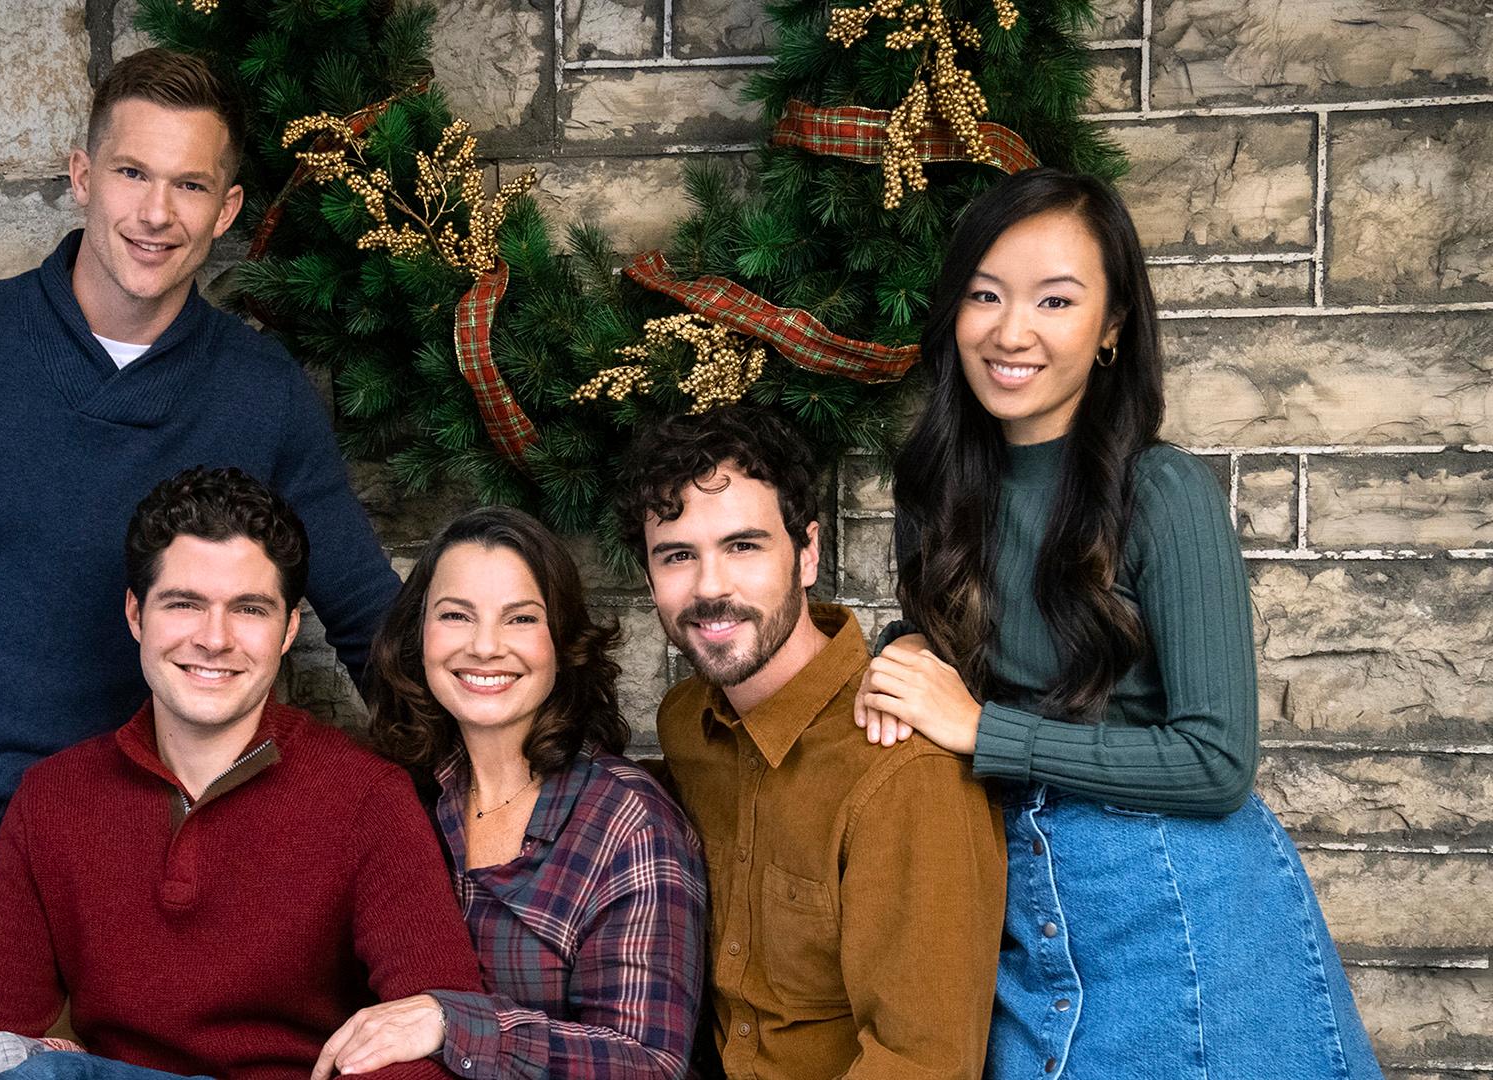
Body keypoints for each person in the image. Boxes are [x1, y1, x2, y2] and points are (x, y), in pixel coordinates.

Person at [0, 48, 401, 1080]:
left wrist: (472, 787)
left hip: (158, 862)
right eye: (132, 173)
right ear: (81, 176)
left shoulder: (261, 394)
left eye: (189, 184)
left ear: (227, 208)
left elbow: (367, 611)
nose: (155, 212)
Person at [853, 167, 1383, 1079]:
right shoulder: (935, 487)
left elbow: (1217, 761)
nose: (1011, 332)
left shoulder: (1162, 492)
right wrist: (900, 653)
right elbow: (961, 658)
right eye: (985, 294)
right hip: (1023, 904)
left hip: (1182, 904)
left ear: (1111, 327)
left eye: (1055, 301)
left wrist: (983, 730)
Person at [0, 466, 482, 1080]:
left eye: (249, 609)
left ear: (289, 629)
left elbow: (438, 1031)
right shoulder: (53, 797)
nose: (215, 639)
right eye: (184, 604)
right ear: (137, 614)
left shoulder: (367, 799)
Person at [613, 407, 1006, 1079]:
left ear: (807, 554)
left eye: (743, 546)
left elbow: (922, 1064)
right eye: (678, 555)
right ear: (650, 580)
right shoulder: (688, 722)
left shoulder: (905, 772)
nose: (710, 587)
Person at [307, 507, 707, 1080]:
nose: (485, 646)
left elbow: (649, 1063)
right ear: (419, 634)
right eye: (456, 615)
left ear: (561, 641)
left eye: (520, 618)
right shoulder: (399, 791)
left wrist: (449, 1023)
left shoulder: (628, 823)